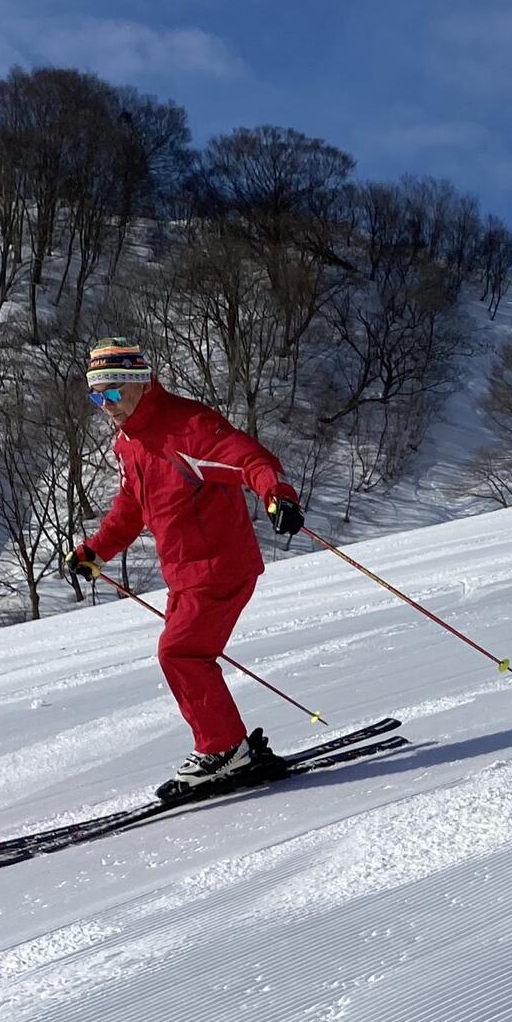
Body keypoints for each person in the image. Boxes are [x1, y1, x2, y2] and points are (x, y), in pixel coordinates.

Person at [67, 341, 306, 797]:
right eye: (97, 397)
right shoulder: (129, 443)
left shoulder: (188, 428)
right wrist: (95, 551)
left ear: (138, 385)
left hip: (220, 565)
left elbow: (249, 459)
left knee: (181, 654)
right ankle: (227, 749)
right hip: (185, 573)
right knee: (183, 654)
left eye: (113, 394)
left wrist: (277, 495)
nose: (106, 407)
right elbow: (132, 505)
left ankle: (223, 750)